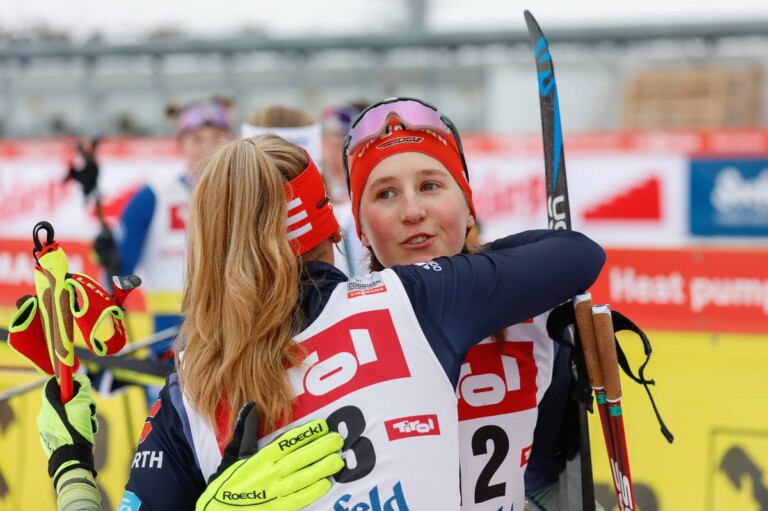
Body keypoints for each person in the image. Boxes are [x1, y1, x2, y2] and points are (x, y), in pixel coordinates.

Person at [115, 132, 603, 510]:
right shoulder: (410, 298)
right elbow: (577, 255)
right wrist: (462, 267)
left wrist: (71, 471)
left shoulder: (188, 388)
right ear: (332, 222)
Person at [341, 96, 588, 511]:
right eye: (385, 194)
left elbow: (546, 472)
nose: (413, 211)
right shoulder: (339, 327)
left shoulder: (535, 320)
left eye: (430, 185)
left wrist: (480, 270)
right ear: (361, 230)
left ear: (469, 206)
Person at [114, 97, 235, 363]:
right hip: (169, 338)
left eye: (217, 138)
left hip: (234, 333)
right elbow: (118, 269)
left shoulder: (243, 192)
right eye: (197, 140)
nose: (207, 148)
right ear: (181, 144)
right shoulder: (154, 195)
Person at [321, 101, 371, 276]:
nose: (336, 148)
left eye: (341, 141)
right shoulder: (321, 174)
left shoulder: (365, 176)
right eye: (332, 141)